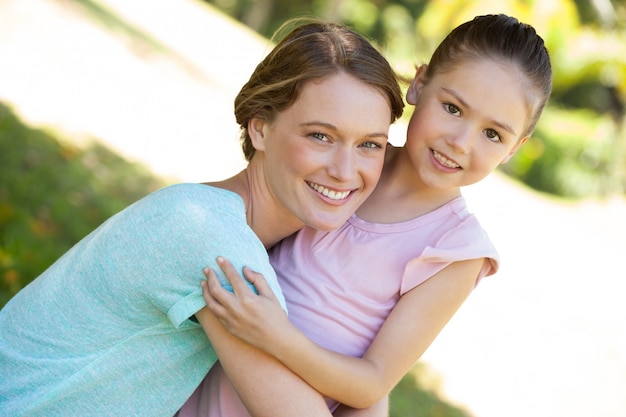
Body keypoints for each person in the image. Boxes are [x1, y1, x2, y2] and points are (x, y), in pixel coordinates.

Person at [0, 21, 405, 417]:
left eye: (370, 144)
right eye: (321, 136)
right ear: (260, 128)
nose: (344, 169)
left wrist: (369, 384)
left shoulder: (220, 217)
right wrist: (371, 383)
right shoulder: (215, 244)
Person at [188, 13, 553, 416]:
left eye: (492, 134)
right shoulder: (345, 169)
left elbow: (372, 383)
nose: (460, 142)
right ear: (418, 84)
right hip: (203, 389)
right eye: (452, 108)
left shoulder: (457, 250)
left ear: (515, 148)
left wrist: (275, 335)